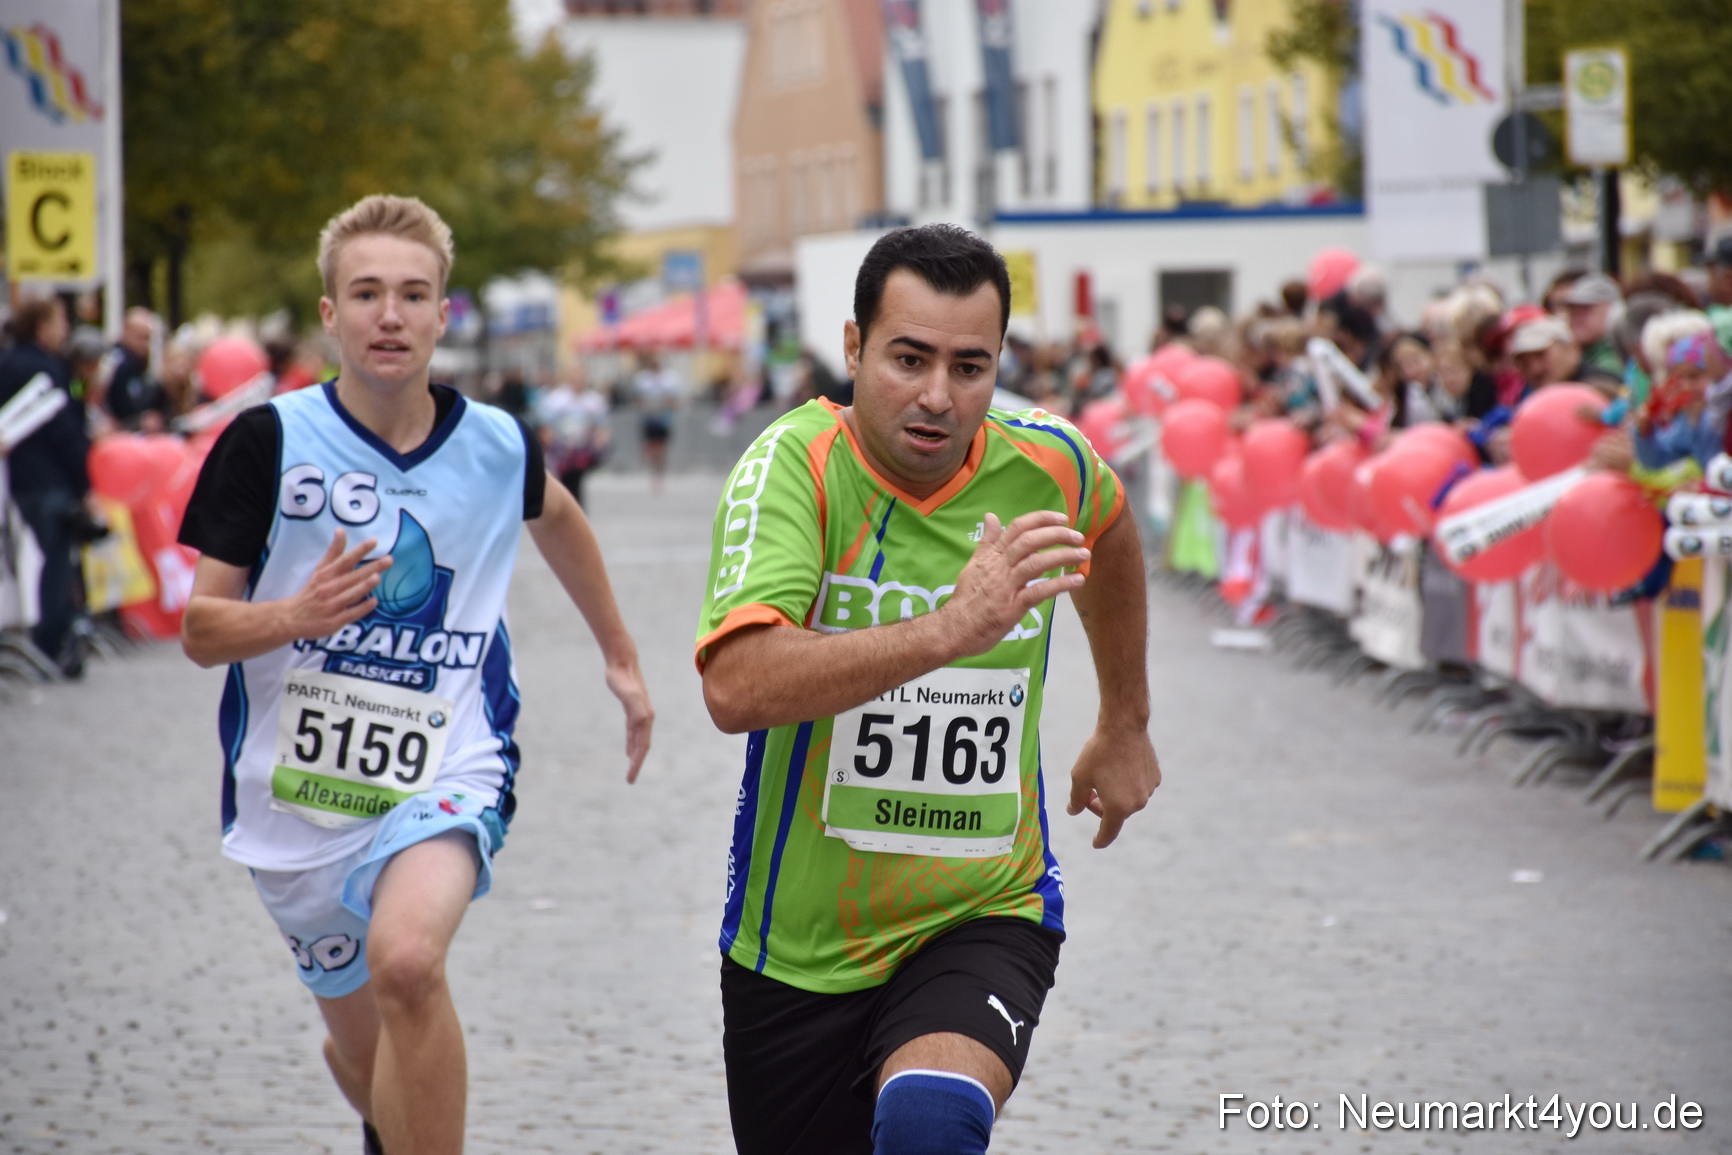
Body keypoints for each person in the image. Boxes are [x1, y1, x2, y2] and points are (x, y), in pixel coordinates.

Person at [176, 195, 654, 1155]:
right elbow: (199, 627)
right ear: (330, 315)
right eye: (366, 294)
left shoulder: (497, 443)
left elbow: (556, 516)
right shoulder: (266, 443)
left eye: (412, 294)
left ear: (444, 315)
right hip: (295, 797)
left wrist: (622, 657)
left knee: (405, 965)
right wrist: (295, 616)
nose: (389, 315)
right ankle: (374, 1095)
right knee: (366, 1054)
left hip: (446, 763)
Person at [695, 224, 1162, 1155]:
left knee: (929, 1121)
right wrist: (952, 629)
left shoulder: (1048, 462)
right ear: (856, 346)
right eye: (909, 358)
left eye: (970, 366)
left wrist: (1125, 717)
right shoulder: (796, 468)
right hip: (800, 946)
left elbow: (1108, 528)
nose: (938, 397)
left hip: (984, 905)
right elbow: (736, 685)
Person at [0, 297, 90, 676]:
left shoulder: (6, 363)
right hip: (52, 477)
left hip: (20, 479)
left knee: (44, 554)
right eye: (60, 322)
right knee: (57, 559)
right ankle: (51, 641)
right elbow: (64, 431)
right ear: (41, 327)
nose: (65, 330)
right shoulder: (49, 370)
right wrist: (84, 480)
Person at [537, 365, 611, 507]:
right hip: (562, 448)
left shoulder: (593, 400)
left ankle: (574, 508)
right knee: (566, 480)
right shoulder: (556, 399)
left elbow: (601, 425)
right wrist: (550, 443)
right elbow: (546, 425)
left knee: (576, 478)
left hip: (583, 448)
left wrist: (600, 443)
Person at [103, 306, 170, 432]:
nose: (145, 345)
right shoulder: (114, 363)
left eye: (148, 338)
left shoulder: (137, 364)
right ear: (126, 332)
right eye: (141, 338)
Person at [633, 351, 680, 494]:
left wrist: (664, 404)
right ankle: (654, 473)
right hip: (649, 418)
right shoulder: (642, 379)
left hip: (663, 419)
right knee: (652, 447)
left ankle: (658, 475)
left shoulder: (669, 379)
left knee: (661, 448)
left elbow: (674, 400)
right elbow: (637, 400)